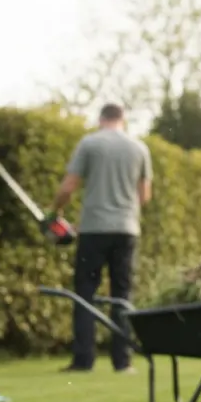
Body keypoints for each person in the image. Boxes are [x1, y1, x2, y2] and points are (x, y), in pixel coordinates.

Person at [48, 103, 153, 373]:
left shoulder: (90, 144)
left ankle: (83, 360)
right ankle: (123, 361)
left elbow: (69, 186)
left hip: (94, 229)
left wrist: (56, 212)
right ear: (122, 120)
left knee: (85, 293)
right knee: (122, 294)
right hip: (127, 229)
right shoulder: (139, 148)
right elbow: (144, 196)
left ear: (101, 119)